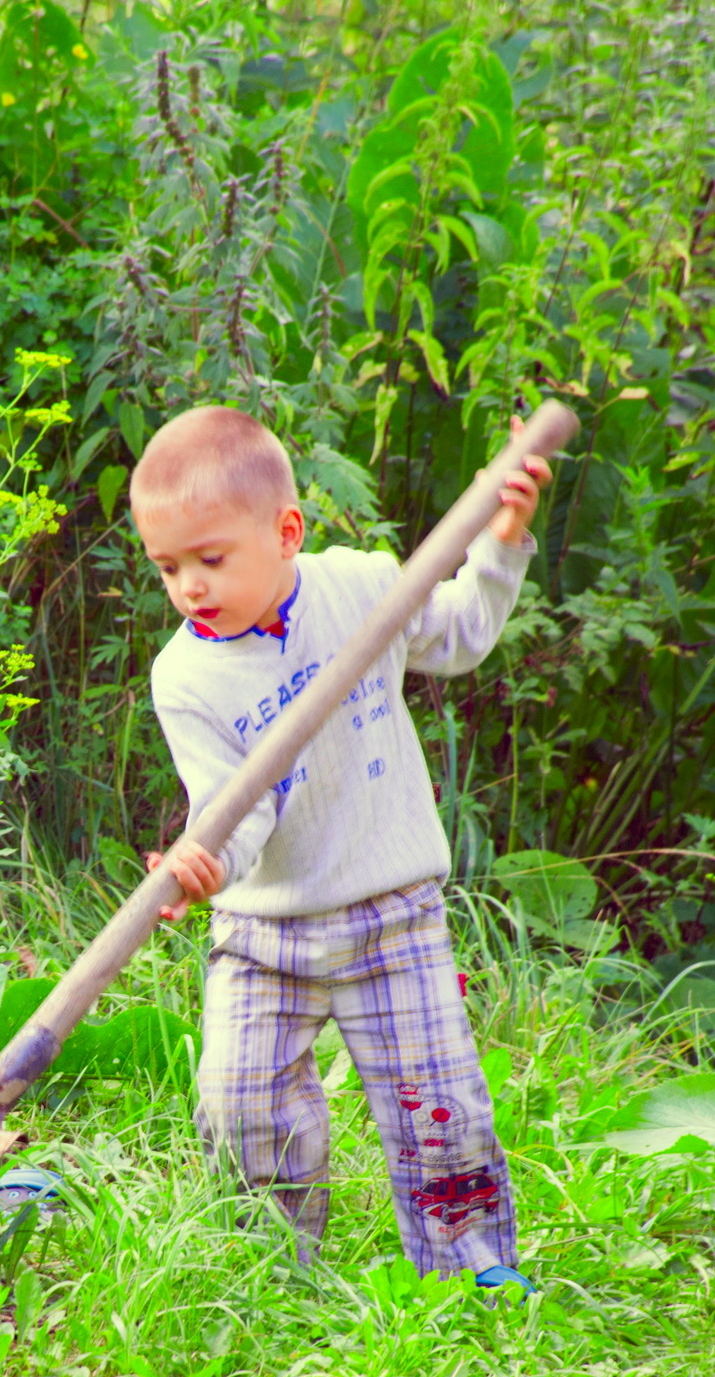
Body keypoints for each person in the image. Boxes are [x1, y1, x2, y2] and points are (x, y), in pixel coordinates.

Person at [132, 405, 549, 1288]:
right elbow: (233, 811)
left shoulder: (360, 587)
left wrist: (502, 538)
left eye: (210, 559)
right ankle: (275, 1275)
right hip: (262, 936)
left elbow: (463, 632)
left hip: (391, 914)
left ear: (287, 533)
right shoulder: (187, 675)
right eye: (168, 567)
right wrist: (208, 862)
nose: (189, 587)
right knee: (240, 1103)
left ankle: (470, 1272)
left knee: (442, 1111)